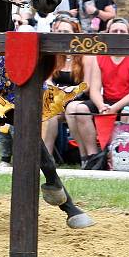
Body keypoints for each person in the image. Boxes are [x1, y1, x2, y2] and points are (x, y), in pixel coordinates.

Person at [64, 19, 129, 168]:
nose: (118, 34)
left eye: (122, 31)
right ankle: (93, 158)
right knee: (80, 109)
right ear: (108, 34)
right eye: (114, 31)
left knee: (126, 111)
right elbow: (95, 89)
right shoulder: (101, 57)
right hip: (109, 101)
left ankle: (123, 158)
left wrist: (114, 108)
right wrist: (100, 105)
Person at [42, 18, 88, 156]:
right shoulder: (54, 56)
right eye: (59, 31)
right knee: (49, 115)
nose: (62, 34)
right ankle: (46, 158)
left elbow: (86, 86)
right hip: (57, 99)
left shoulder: (84, 57)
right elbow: (48, 80)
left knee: (72, 110)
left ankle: (83, 154)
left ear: (75, 34)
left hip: (78, 98)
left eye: (66, 31)